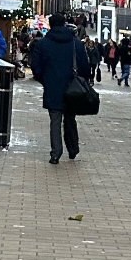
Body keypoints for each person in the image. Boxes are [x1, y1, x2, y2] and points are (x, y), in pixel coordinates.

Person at [30, 14, 89, 164]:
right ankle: (73, 148)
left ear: (50, 24)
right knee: (70, 119)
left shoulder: (43, 44)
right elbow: (84, 67)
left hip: (52, 87)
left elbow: (35, 66)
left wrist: (44, 80)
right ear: (64, 24)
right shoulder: (75, 43)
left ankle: (56, 153)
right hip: (72, 88)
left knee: (55, 121)